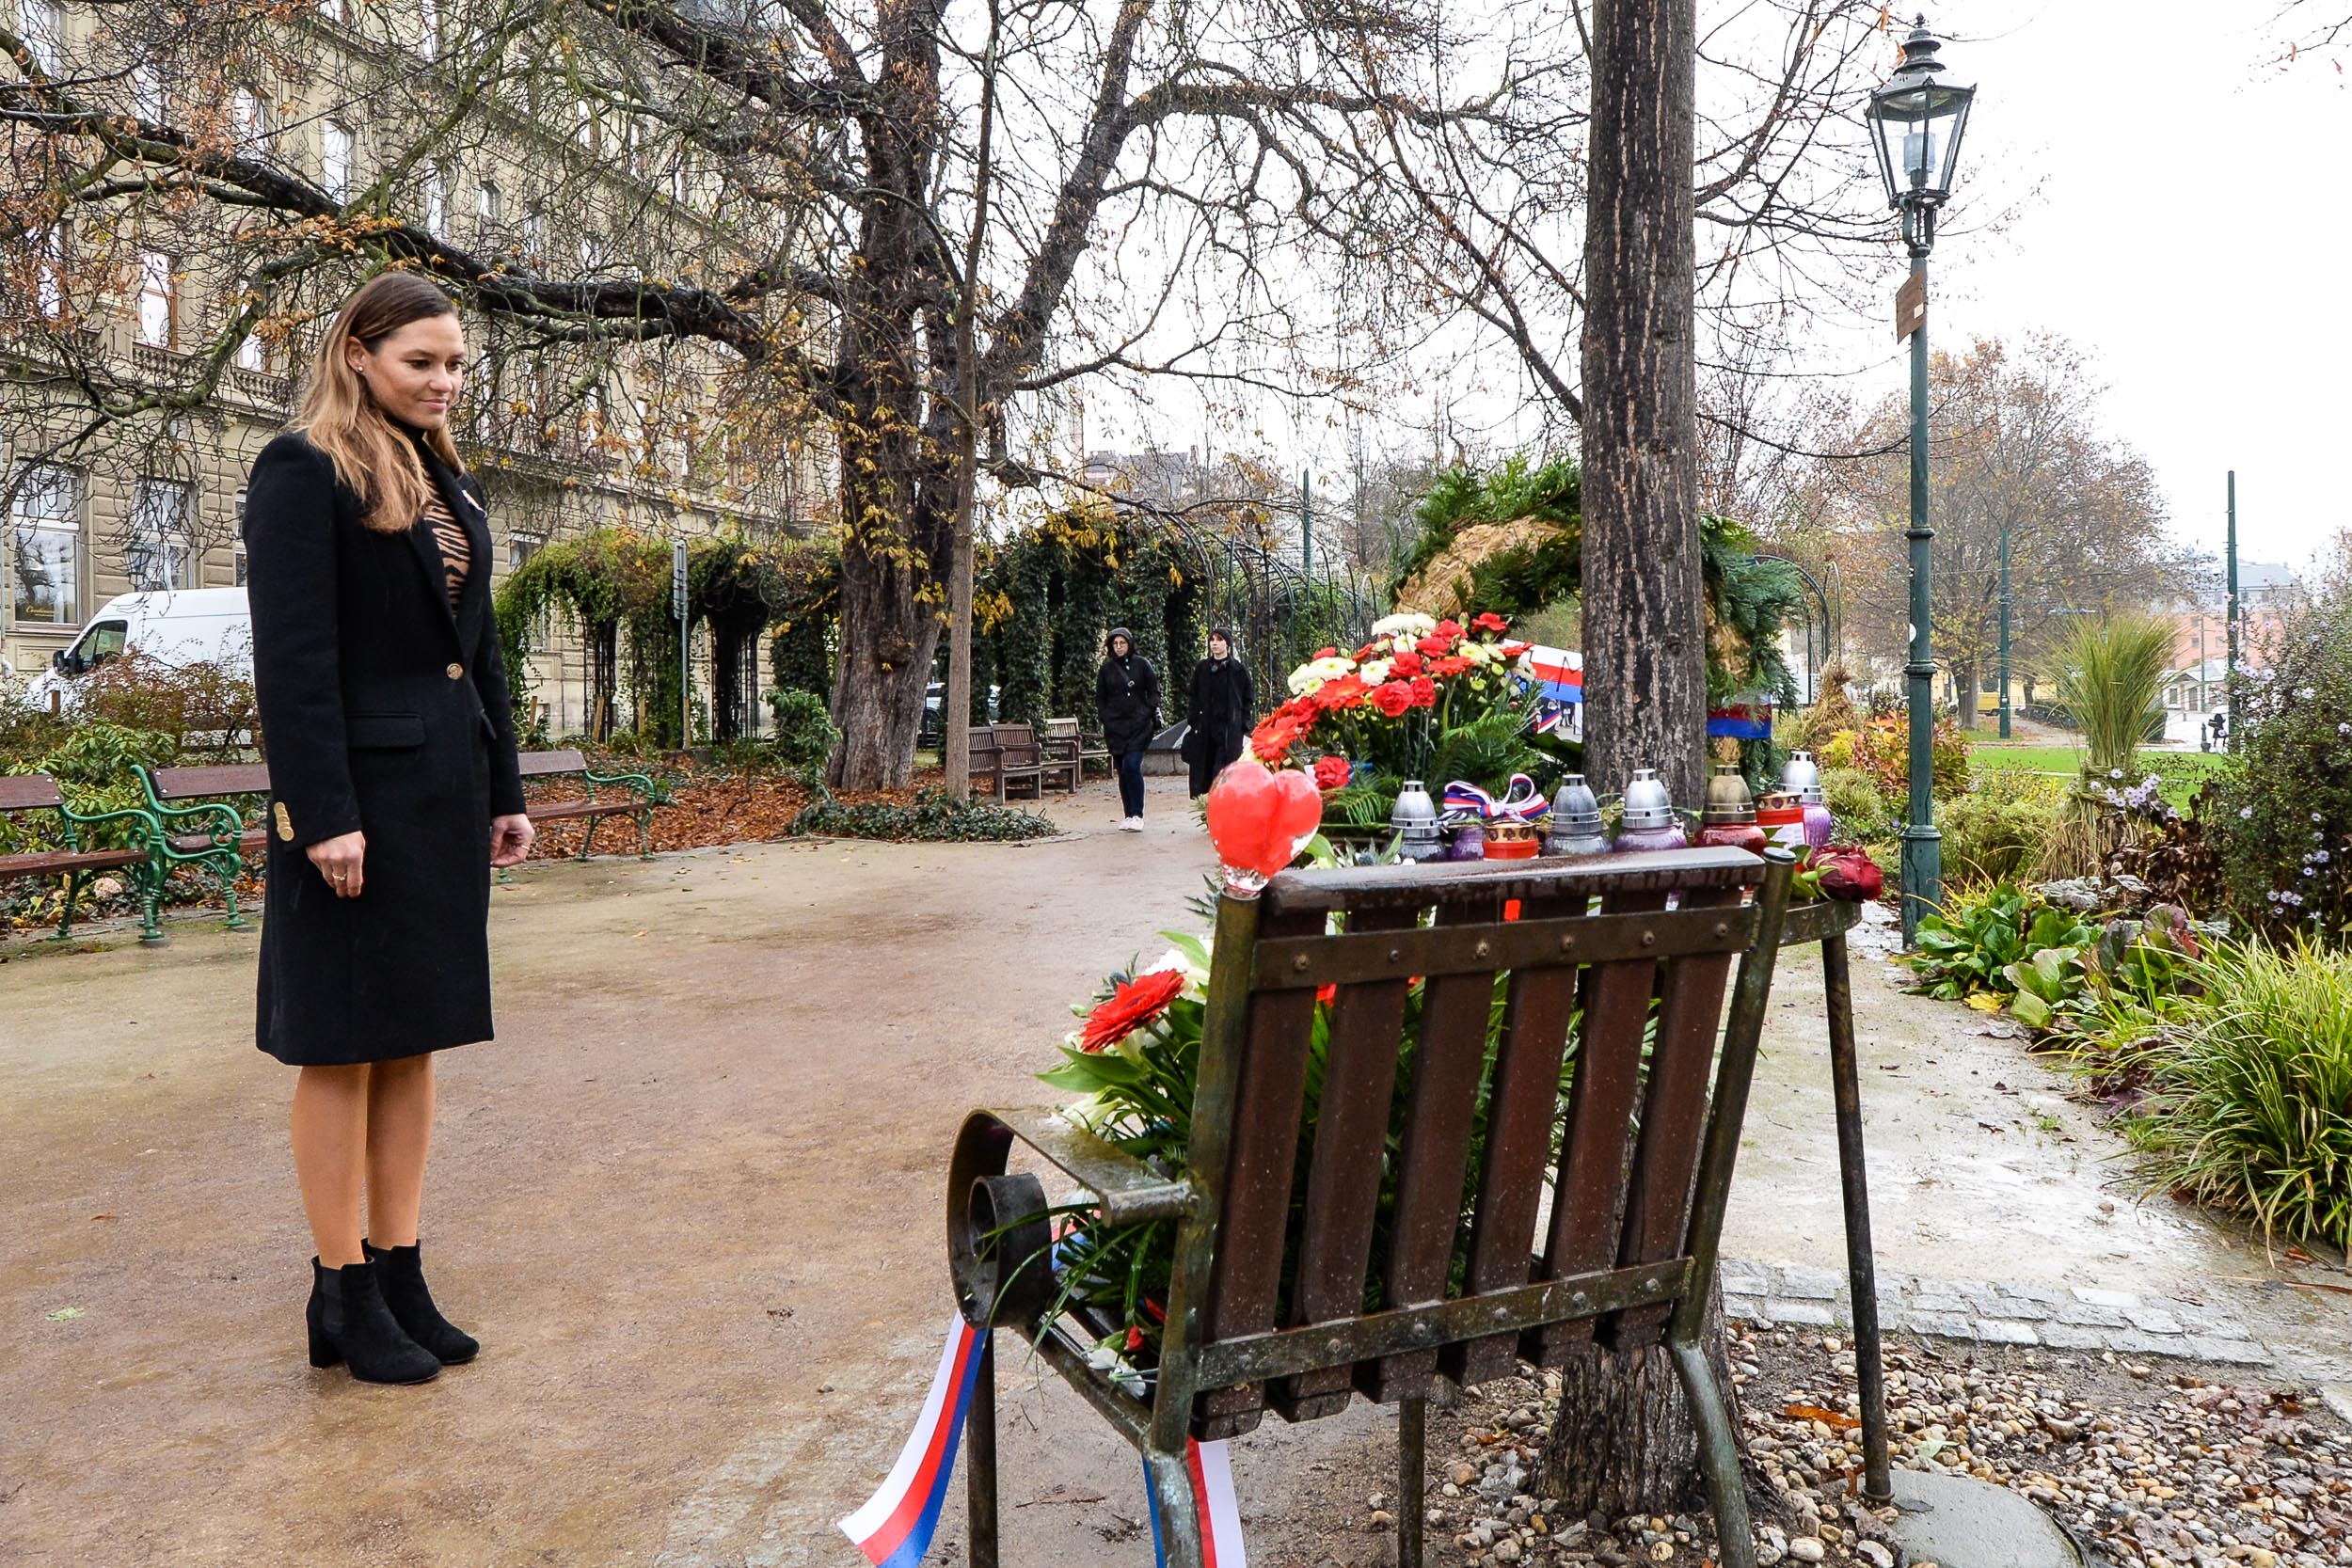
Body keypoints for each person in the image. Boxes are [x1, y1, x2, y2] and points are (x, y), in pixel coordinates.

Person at [243, 273, 533, 1386]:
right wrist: (324, 815)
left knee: (412, 1036)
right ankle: (340, 1285)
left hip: (441, 800)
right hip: (354, 811)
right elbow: (294, 661)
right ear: (356, 355)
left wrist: (504, 787)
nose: (445, 381)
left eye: (455, 364)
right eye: (422, 361)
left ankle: (399, 1268)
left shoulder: (447, 480)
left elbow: (478, 649)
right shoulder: (301, 469)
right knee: (341, 1043)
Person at [1095, 626, 1160, 831]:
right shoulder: (1106, 669)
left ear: (1129, 644)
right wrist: (1106, 717)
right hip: (1115, 728)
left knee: (1132, 765)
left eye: (1122, 643)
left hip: (1139, 727)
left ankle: (1138, 813)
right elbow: (1100, 697)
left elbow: (1154, 691)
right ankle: (1128, 814)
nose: (1119, 647)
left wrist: (1146, 712)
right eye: (1115, 643)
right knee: (1122, 771)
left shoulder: (1142, 665)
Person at [1183, 627, 1256, 797]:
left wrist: (1243, 723)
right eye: (1212, 640)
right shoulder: (1202, 668)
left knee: (1223, 770)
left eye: (1219, 640)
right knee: (1205, 770)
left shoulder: (1238, 670)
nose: (1215, 644)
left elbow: (1248, 698)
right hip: (1205, 728)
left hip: (1229, 729)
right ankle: (1209, 804)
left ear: (1228, 644)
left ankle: (1222, 801)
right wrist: (1194, 719)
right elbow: (1193, 695)